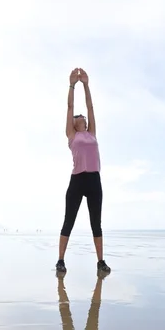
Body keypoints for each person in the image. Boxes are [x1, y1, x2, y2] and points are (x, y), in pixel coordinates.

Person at [56, 68, 111, 276]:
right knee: (68, 220)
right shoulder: (72, 135)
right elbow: (70, 106)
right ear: (74, 124)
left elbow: (91, 107)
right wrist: (72, 85)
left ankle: (100, 262)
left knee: (96, 223)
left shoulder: (92, 133)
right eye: (82, 120)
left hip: (94, 180)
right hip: (77, 180)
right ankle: (60, 261)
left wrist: (87, 85)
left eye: (86, 120)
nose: (85, 121)